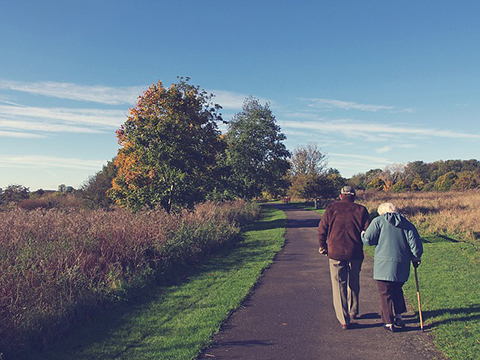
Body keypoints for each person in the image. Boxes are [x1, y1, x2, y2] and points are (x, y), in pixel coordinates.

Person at [362, 202, 423, 332]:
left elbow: (368, 240)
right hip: (402, 264)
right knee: (397, 290)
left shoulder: (378, 221)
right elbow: (415, 245)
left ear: (382, 212)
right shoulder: (407, 223)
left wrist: (362, 234)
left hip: (383, 265)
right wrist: (416, 257)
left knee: (385, 293)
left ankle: (388, 322)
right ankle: (399, 316)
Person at [318, 186, 371, 329]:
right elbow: (368, 231)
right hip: (355, 252)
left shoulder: (331, 208)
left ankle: (344, 319)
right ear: (354, 196)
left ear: (341, 196)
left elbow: (322, 229)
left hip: (335, 252)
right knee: (354, 281)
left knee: (338, 285)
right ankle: (353, 310)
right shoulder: (361, 210)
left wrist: (322, 246)